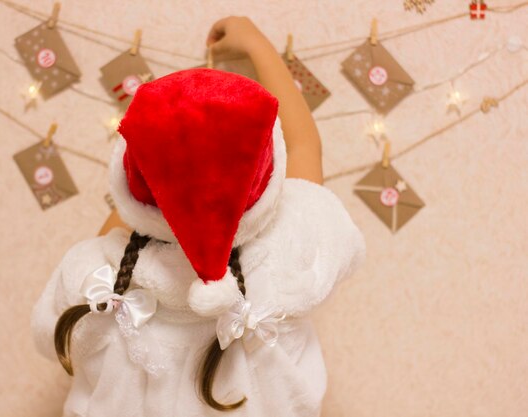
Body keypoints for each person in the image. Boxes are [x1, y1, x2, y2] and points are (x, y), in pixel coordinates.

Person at [31, 16, 366, 417]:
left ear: (133, 183)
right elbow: (304, 143)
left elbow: (50, 334)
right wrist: (256, 45)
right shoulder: (292, 250)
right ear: (266, 175)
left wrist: (163, 165)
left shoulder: (104, 271)